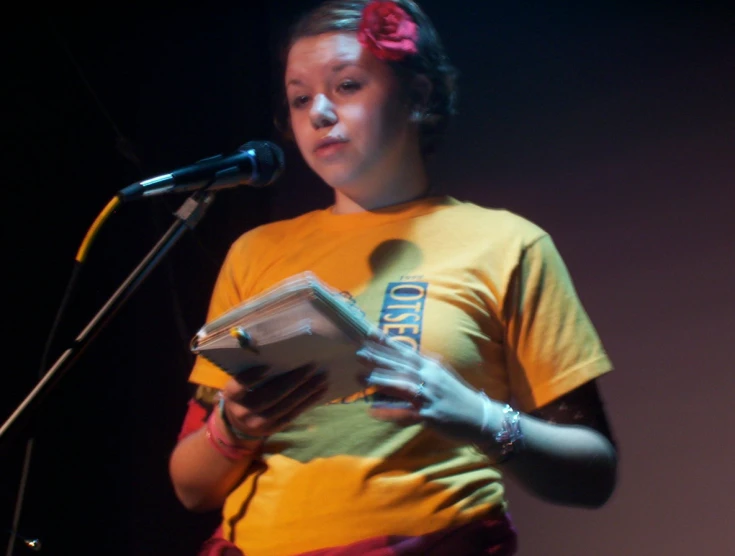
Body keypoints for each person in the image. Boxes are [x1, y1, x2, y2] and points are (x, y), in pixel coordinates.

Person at [168, 1, 618, 554]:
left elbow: (593, 472)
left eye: (347, 85)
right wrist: (233, 427)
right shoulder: (257, 252)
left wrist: (479, 417)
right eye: (300, 97)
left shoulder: (507, 244)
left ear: (419, 96)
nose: (319, 113)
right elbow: (191, 488)